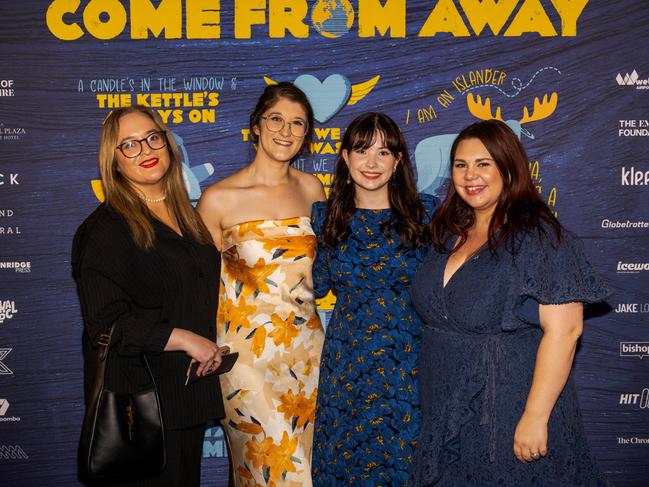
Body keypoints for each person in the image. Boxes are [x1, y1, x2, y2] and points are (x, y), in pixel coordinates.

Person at [409, 119, 609, 486]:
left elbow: (566, 330)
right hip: (446, 400)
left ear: (508, 167)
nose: (471, 175)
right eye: (461, 164)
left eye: (484, 163)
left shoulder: (539, 236)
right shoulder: (449, 230)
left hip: (505, 405)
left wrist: (535, 417)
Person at [72, 105, 224, 486]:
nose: (146, 149)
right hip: (141, 407)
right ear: (114, 162)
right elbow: (106, 324)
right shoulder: (106, 229)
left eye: (153, 137)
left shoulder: (187, 216)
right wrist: (187, 339)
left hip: (187, 397)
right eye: (130, 145)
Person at [197, 82, 326, 486]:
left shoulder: (313, 190)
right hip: (245, 362)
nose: (285, 131)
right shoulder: (218, 198)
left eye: (297, 123)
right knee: (265, 469)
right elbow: (199, 285)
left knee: (307, 468)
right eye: (276, 119)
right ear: (256, 125)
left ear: (307, 135)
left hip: (307, 356)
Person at [310, 112, 437, 486]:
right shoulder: (324, 216)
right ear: (345, 157)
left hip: (409, 362)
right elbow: (314, 286)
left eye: (383, 153)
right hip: (347, 362)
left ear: (398, 162)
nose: (371, 163)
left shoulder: (427, 213)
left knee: (404, 464)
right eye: (362, 151)